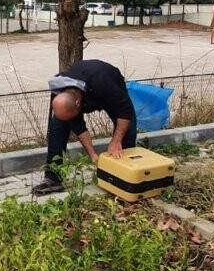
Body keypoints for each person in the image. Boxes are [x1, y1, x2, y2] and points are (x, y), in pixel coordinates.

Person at [33, 59, 137, 196]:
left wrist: (116, 141)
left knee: (127, 132)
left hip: (106, 86)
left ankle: (125, 176)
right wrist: (93, 155)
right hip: (79, 97)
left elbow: (125, 112)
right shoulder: (61, 91)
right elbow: (79, 127)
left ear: (78, 103)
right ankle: (53, 179)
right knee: (57, 128)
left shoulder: (105, 83)